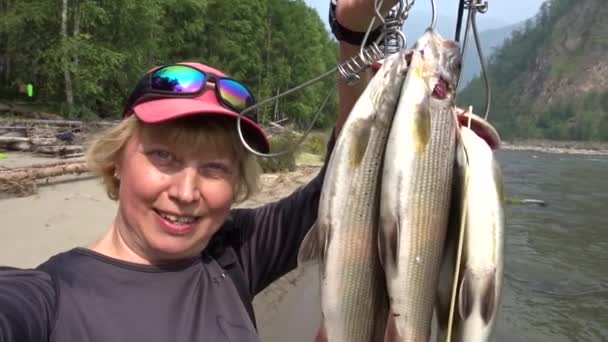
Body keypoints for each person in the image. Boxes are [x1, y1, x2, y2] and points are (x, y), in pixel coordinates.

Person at [0, 1, 397, 341]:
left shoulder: (232, 252)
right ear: (116, 161)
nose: (187, 192)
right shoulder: (47, 298)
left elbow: (348, 186)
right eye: (164, 157)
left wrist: (353, 36)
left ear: (238, 181)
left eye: (214, 167)